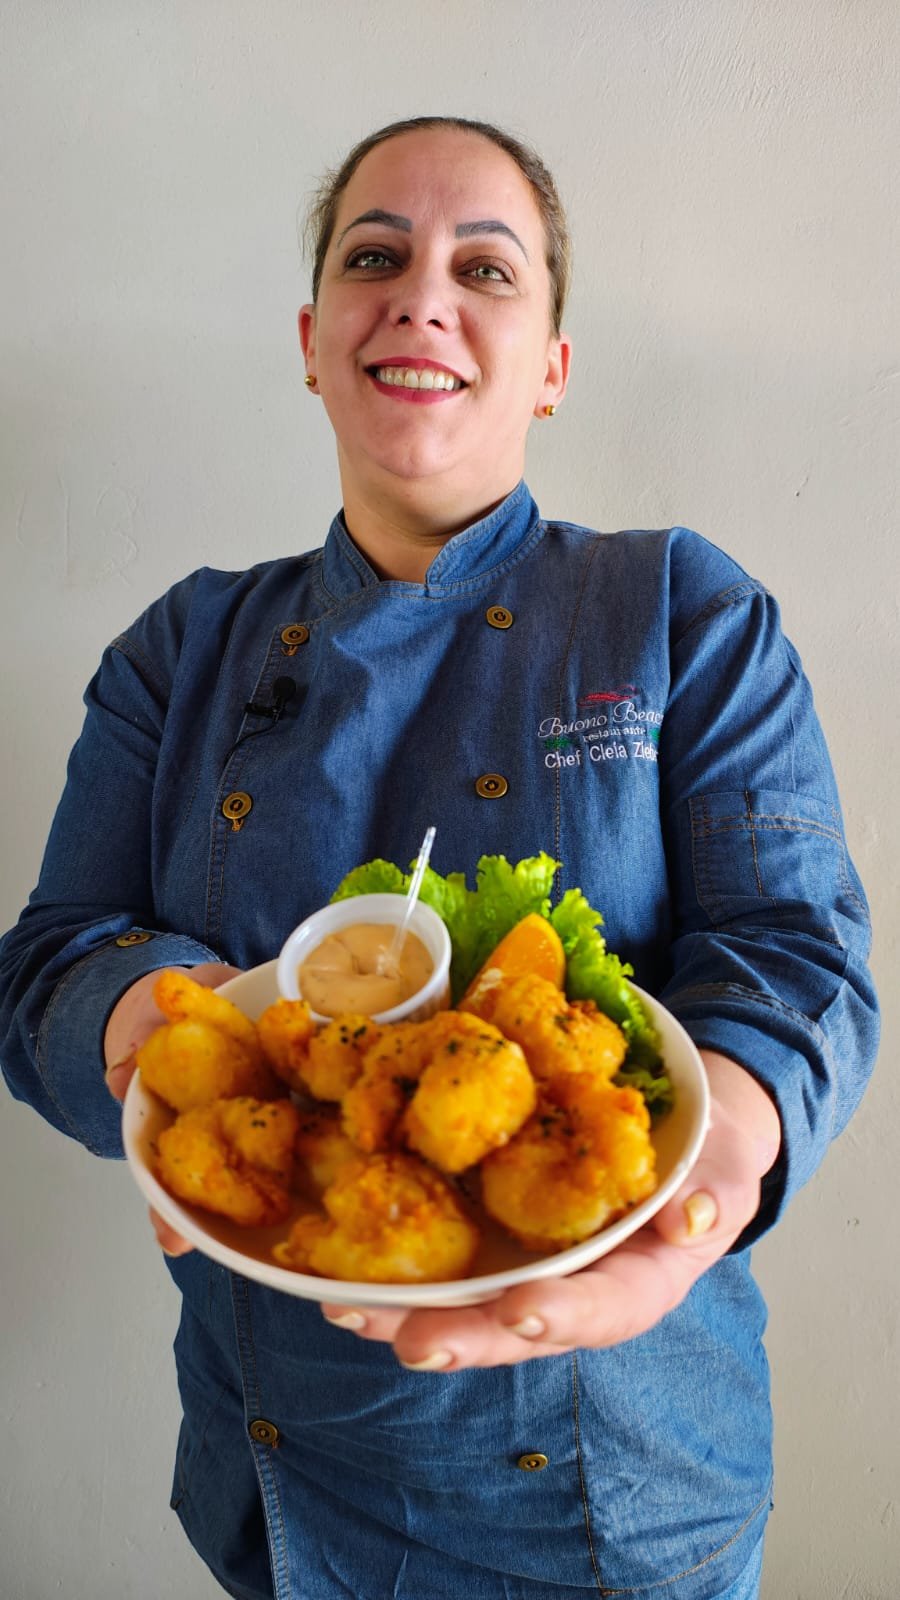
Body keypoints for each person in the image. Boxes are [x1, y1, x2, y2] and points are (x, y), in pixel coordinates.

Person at [0, 115, 878, 1600]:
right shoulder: (183, 646)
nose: (421, 297)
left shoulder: (680, 611)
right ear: (312, 341)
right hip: (276, 1468)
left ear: (552, 365)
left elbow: (794, 951)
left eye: (486, 268)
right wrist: (154, 1021)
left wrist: (705, 1177)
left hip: (615, 1487)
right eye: (374, 258)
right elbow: (52, 952)